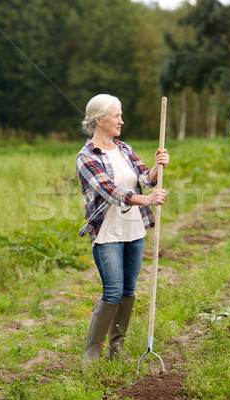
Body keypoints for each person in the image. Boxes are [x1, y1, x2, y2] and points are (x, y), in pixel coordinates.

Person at [76, 94, 169, 363]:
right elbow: (110, 191)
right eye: (116, 115)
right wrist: (145, 200)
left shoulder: (124, 149)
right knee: (113, 290)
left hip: (133, 230)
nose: (121, 120)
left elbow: (143, 178)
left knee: (128, 290)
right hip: (107, 232)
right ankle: (91, 354)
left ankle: (116, 350)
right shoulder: (86, 156)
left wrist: (156, 168)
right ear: (99, 120)